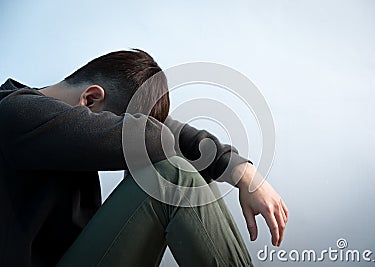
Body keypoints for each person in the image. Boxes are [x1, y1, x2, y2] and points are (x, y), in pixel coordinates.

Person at [0, 49, 288, 267]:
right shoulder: (15, 113)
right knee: (172, 175)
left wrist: (244, 174)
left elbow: (161, 134)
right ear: (90, 99)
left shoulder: (49, 123)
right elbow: (154, 137)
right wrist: (151, 132)